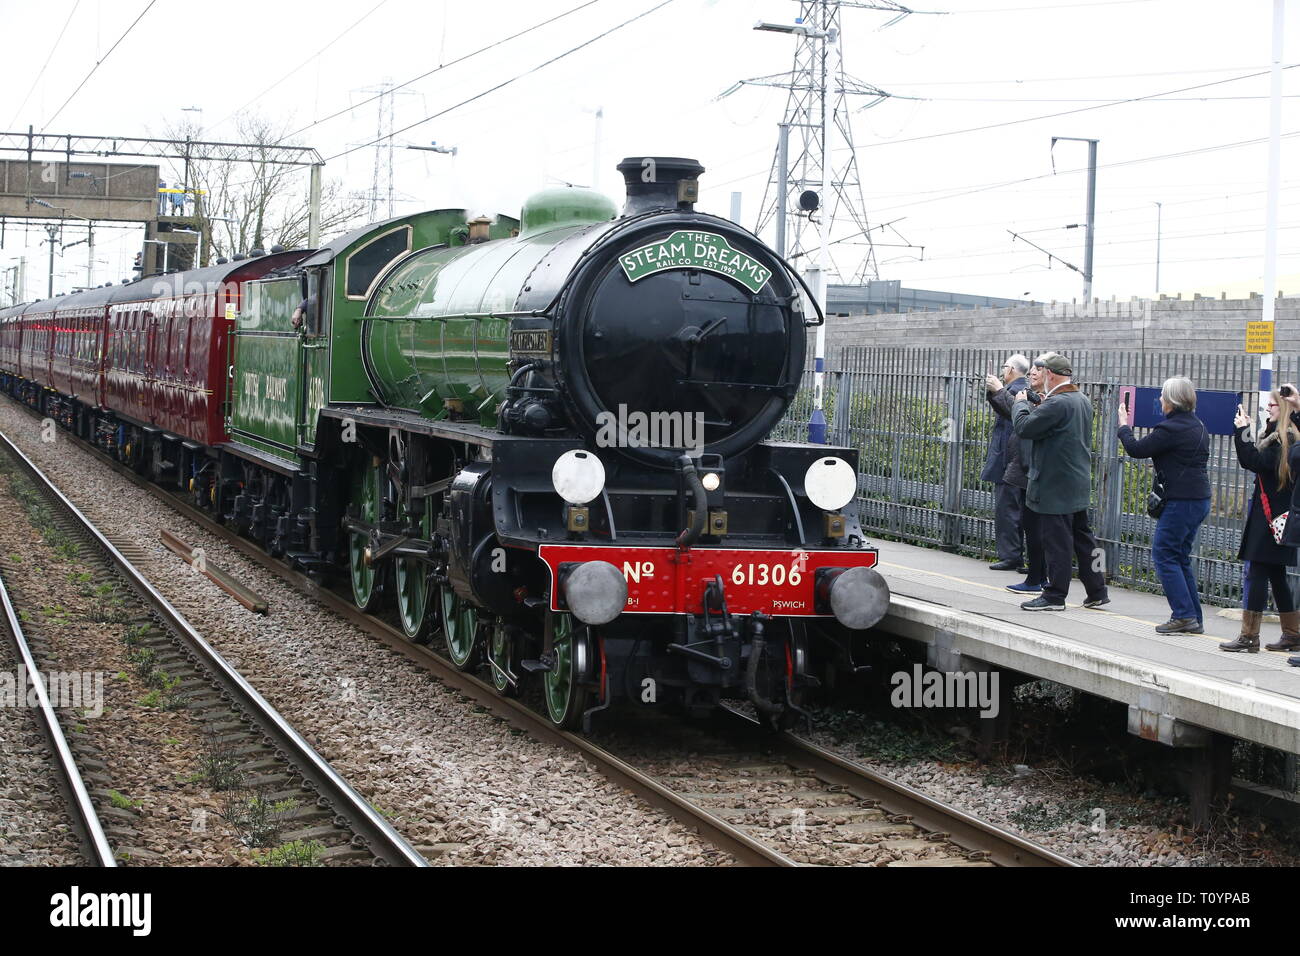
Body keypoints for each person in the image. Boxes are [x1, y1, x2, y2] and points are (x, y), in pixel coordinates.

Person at [1010, 352, 1110, 611]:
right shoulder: (1081, 400)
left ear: (1050, 375)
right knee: (1083, 539)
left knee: (1057, 541)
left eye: (1042, 373)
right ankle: (1097, 590)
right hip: (1076, 483)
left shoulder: (1057, 404)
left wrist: (1020, 403)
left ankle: (1054, 595)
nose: (1039, 378)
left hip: (1055, 485)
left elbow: (1024, 427)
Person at [1116, 377, 1211, 634]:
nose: (1160, 399)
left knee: (1164, 554)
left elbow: (1136, 449)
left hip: (1181, 501)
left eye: (1163, 396)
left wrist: (1123, 426)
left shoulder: (1170, 429)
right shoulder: (1199, 426)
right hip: (1199, 499)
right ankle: (1193, 617)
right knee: (1179, 556)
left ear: (1172, 401)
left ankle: (1183, 615)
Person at [1221, 391, 1300, 652]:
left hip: (1270, 519)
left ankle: (1249, 636)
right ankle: (1292, 634)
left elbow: (1252, 460)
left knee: (1256, 573)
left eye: (1272, 406)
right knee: (1276, 575)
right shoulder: (1285, 435)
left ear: (1285, 409)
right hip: (1278, 518)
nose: (1268, 409)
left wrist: (1242, 430)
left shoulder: (1283, 440)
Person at [997, 355, 1047, 595]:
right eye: (1032, 370)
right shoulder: (1034, 396)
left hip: (1037, 471)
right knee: (1032, 525)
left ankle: (1045, 581)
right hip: (1026, 467)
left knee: (1040, 527)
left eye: (1038, 370)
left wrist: (1016, 402)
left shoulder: (1050, 401)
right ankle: (1038, 577)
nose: (1032, 374)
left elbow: (1024, 425)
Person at [983, 354, 1031, 571]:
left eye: (1004, 367)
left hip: (1009, 460)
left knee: (1008, 510)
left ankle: (1011, 555)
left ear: (1011, 369)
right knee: (1016, 510)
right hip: (1013, 459)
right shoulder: (1019, 390)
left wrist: (999, 390)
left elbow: (1014, 414)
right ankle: (1014, 555)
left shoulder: (1018, 391)